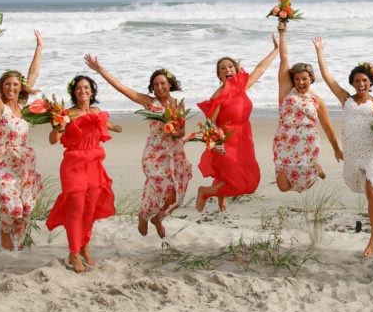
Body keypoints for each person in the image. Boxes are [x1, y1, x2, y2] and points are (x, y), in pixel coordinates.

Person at [84, 55, 192, 239]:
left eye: (162, 83)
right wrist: (100, 70)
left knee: (177, 197)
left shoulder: (178, 105)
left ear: (170, 84)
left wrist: (175, 132)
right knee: (162, 188)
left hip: (175, 154)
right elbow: (122, 88)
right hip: (155, 154)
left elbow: (182, 131)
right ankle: (144, 215)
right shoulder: (150, 103)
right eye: (155, 85)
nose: (159, 87)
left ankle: (157, 218)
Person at [313, 37, 373, 258]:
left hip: (371, 152)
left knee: (372, 191)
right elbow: (327, 77)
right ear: (352, 83)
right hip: (353, 154)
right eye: (357, 81)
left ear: (370, 82)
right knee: (367, 191)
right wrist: (319, 51)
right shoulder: (346, 99)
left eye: (365, 81)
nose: (361, 84)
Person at [0, 31, 44, 251]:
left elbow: (33, 74)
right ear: (2, 87)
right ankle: (4, 231)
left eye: (15, 85)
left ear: (20, 87)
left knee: (26, 207)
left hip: (23, 164)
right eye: (7, 85)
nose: (11, 88)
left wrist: (39, 47)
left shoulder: (23, 107)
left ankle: (18, 238)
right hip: (1, 164)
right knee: (13, 207)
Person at [46, 74, 121, 272]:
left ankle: (84, 249)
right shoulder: (67, 114)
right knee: (76, 208)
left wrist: (117, 128)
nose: (83, 91)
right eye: (78, 88)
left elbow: (106, 124)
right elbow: (53, 140)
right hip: (74, 165)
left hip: (94, 166)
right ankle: (73, 252)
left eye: (86, 87)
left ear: (92, 90)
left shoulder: (96, 111)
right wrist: (59, 127)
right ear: (74, 92)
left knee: (89, 209)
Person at [195, 36, 279, 212]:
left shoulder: (241, 86)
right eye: (223, 68)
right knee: (237, 182)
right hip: (226, 140)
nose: (227, 69)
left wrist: (276, 50)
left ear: (236, 69)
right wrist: (215, 145)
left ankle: (220, 196)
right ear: (219, 75)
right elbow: (210, 123)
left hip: (244, 137)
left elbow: (260, 69)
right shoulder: (218, 95)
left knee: (251, 180)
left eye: (230, 66)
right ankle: (204, 192)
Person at [272, 22, 342, 193]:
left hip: (307, 144)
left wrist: (336, 149)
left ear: (311, 79)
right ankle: (315, 169)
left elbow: (327, 126)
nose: (301, 82)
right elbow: (284, 58)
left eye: (304, 79)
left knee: (303, 183)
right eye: (297, 79)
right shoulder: (286, 91)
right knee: (283, 186)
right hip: (284, 143)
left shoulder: (317, 101)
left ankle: (314, 169)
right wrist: (282, 33)